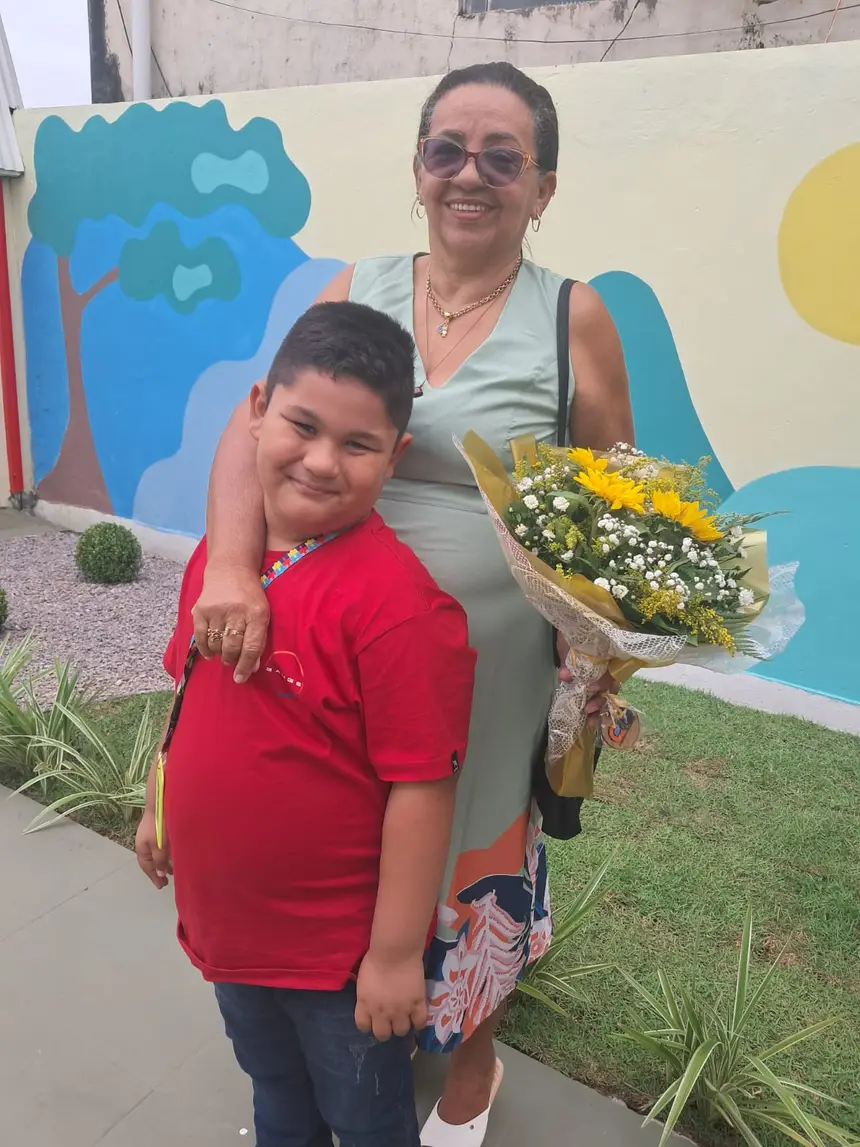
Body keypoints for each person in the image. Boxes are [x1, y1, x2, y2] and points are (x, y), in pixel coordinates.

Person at [194, 62, 634, 1145]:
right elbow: (256, 432)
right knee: (347, 847)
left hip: (491, 679)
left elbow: (617, 509)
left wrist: (606, 652)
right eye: (447, 150)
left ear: (543, 186)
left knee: (464, 855)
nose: (468, 175)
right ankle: (332, 1046)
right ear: (418, 167)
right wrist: (233, 570)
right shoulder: (355, 287)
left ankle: (468, 1063)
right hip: (333, 652)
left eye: (501, 157)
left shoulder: (573, 316)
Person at [135, 301, 477, 1147]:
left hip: (336, 962)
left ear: (395, 455)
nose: (322, 461)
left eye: (357, 444)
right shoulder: (223, 566)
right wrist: (159, 801)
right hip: (234, 933)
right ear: (258, 409)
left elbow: (422, 788)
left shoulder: (398, 608)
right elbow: (190, 696)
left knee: (365, 1120)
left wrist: (393, 957)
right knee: (275, 1093)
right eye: (303, 425)